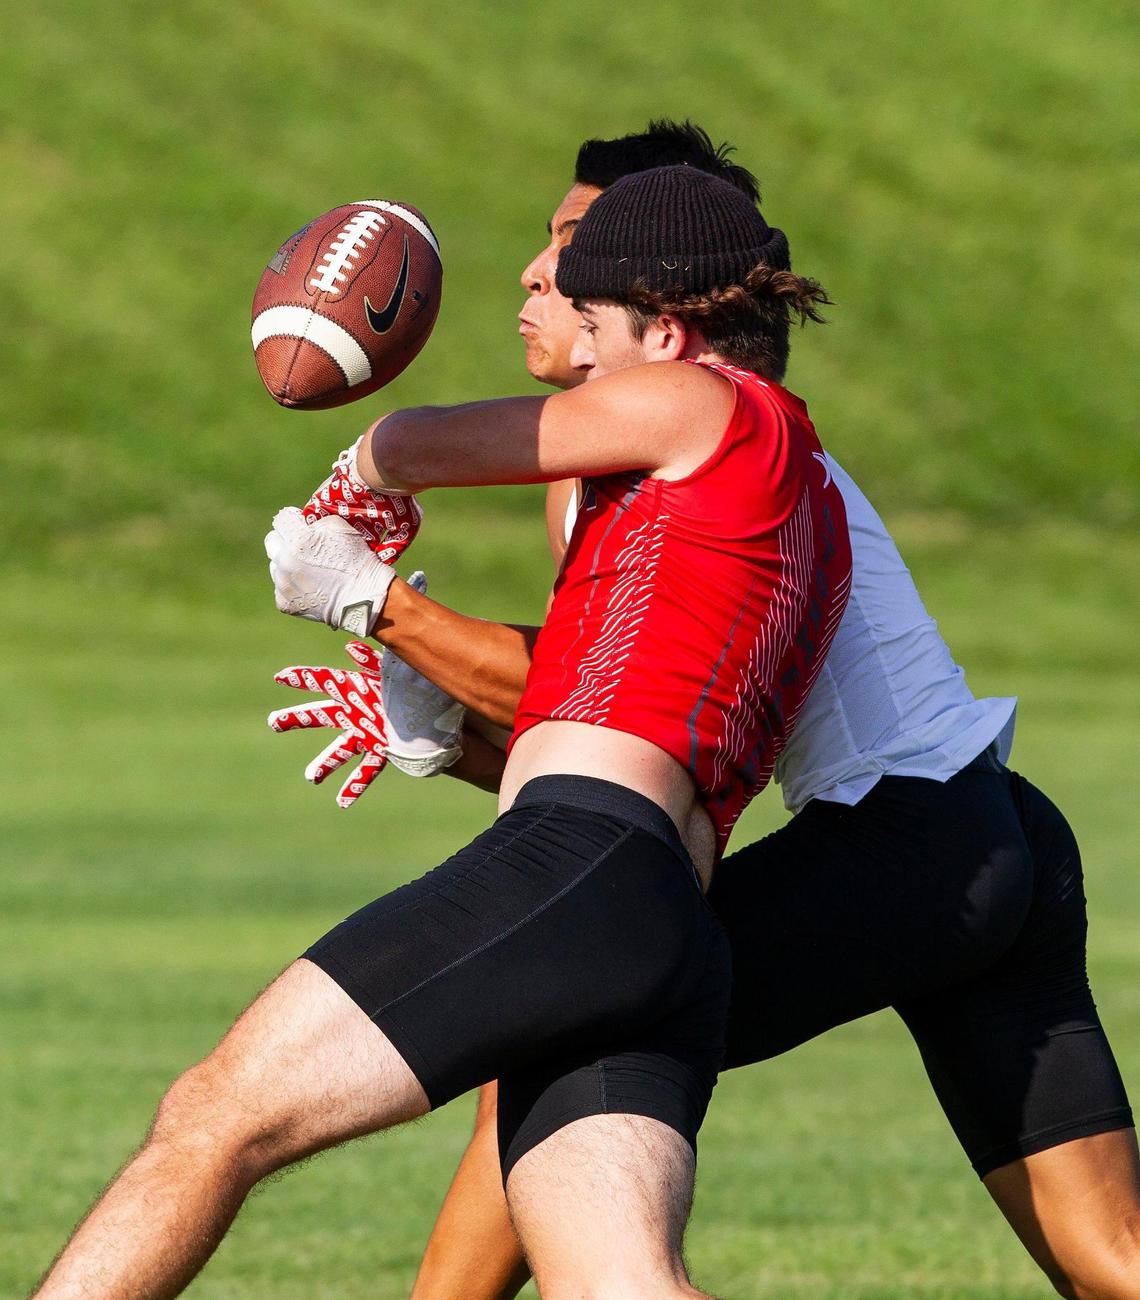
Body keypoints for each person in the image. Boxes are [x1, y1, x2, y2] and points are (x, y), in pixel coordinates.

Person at [272, 122, 1140, 1300]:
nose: (540, 274)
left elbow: (594, 718)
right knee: (1115, 1262)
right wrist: (445, 728)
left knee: (554, 1016)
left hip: (905, 839)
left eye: (574, 246)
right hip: (991, 834)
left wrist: (385, 610)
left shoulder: (649, 447)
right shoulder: (687, 441)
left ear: (654, 295)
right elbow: (637, 750)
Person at [32, 165, 850, 1299]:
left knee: (216, 1115)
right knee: (625, 1286)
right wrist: (426, 694)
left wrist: (365, 472)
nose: (573, 334)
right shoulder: (799, 486)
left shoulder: (708, 402)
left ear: (668, 332)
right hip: (663, 920)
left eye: (597, 319)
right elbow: (625, 699)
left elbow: (446, 439)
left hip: (581, 864)